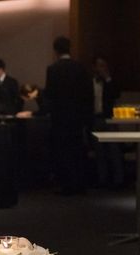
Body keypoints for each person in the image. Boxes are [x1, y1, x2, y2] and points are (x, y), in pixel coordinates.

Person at [43, 36, 94, 195]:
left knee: (63, 151)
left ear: (56, 50)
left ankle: (67, 184)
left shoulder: (53, 69)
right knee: (77, 149)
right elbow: (88, 93)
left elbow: (50, 94)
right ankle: (81, 183)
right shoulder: (80, 67)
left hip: (60, 116)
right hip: (77, 115)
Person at [92, 56, 124, 188]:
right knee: (99, 151)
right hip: (95, 118)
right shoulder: (91, 82)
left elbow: (116, 94)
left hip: (109, 118)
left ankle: (118, 180)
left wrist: (108, 78)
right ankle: (102, 179)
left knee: (114, 150)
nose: (101, 68)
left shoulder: (110, 82)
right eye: (99, 65)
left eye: (103, 65)